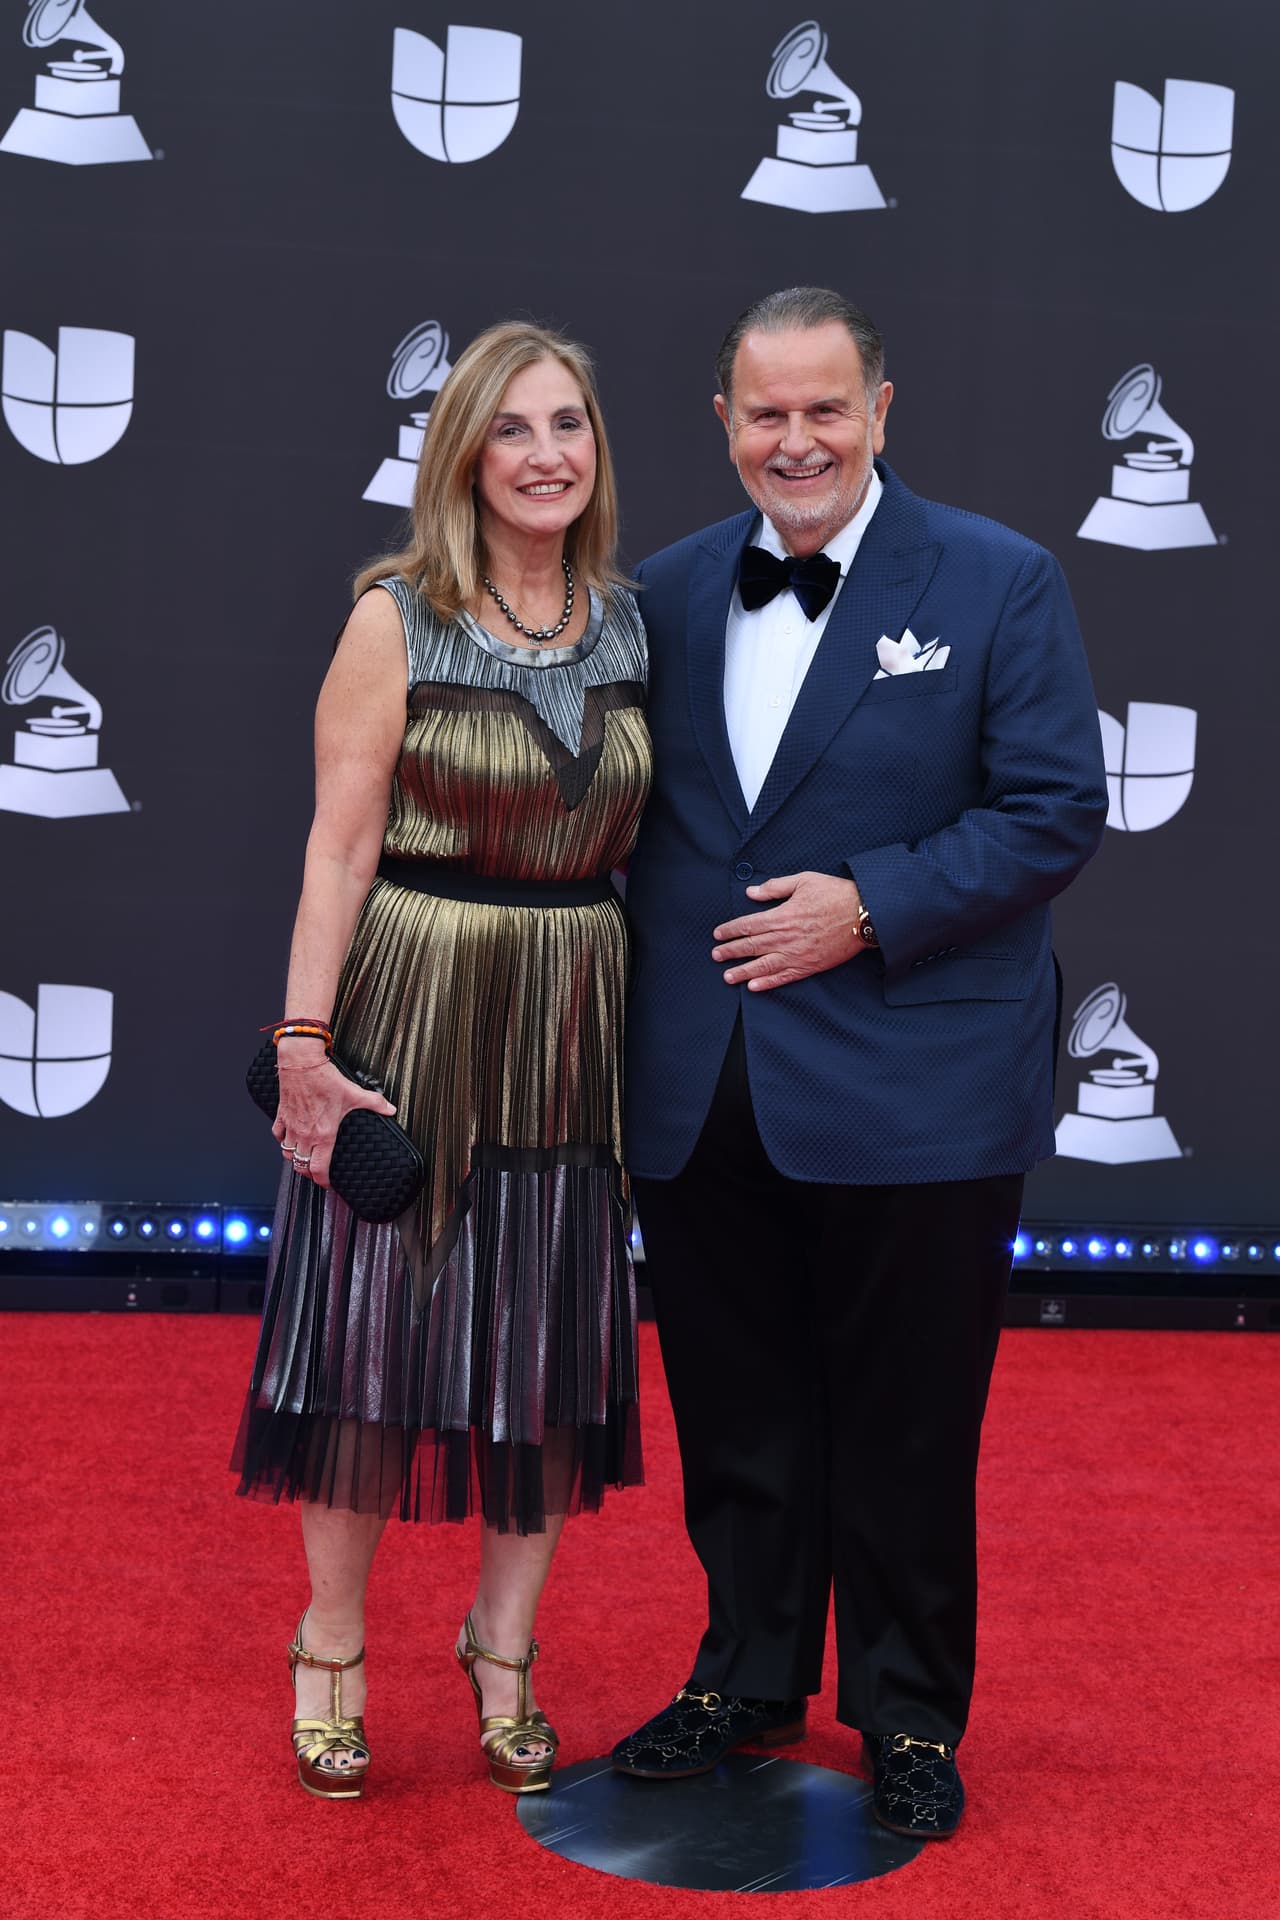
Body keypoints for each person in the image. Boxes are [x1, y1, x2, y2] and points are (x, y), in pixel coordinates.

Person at [611, 287, 1107, 1838]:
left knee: (907, 1421)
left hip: (919, 1086)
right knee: (738, 1408)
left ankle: (907, 1713)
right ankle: (747, 1675)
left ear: (883, 409)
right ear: (724, 425)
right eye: (767, 413)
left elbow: (1050, 811)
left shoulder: (999, 577)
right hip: (701, 1083)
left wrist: (870, 904)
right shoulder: (664, 593)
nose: (797, 439)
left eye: (827, 408)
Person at [232, 321, 651, 1800]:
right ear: (462, 452)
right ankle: (332, 1646)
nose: (547, 455)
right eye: (514, 429)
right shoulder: (395, 618)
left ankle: (503, 1648)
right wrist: (302, 1045)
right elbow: (338, 849)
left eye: (570, 426)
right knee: (366, 1350)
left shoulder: (632, 623)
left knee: (542, 1347)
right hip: (413, 998)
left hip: (569, 1015)